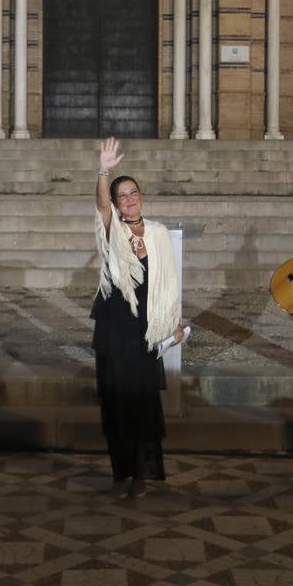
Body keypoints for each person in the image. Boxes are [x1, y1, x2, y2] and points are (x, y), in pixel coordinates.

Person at [92, 136, 183, 499]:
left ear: (142, 196)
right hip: (114, 329)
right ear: (116, 204)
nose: (129, 199)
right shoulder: (113, 230)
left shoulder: (158, 234)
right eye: (122, 196)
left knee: (143, 402)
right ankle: (121, 471)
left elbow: (169, 283)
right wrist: (103, 171)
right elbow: (100, 206)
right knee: (116, 402)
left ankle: (142, 473)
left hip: (145, 331)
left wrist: (173, 322)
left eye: (133, 193)